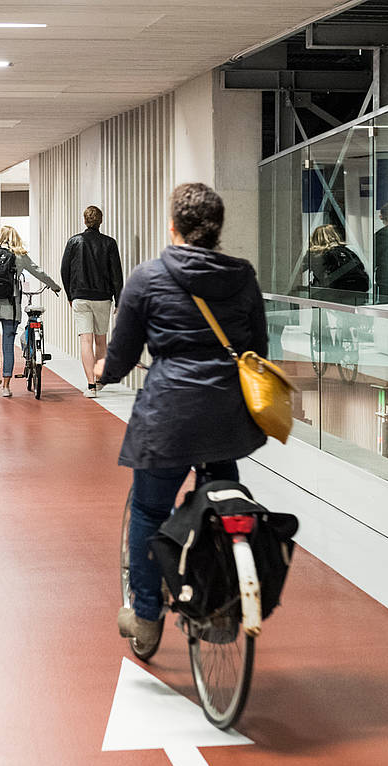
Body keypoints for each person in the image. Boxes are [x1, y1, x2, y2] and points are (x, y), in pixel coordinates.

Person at [94, 183, 268, 650]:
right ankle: (220, 607)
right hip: (228, 418)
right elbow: (257, 351)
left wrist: (102, 371)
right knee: (223, 503)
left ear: (173, 227)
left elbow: (124, 351)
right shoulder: (243, 276)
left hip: (169, 414)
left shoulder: (149, 276)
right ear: (217, 228)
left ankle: (147, 617)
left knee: (151, 510)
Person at [0, 225, 61, 398]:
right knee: (8, 346)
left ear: (0, 237)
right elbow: (38, 272)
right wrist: (54, 287)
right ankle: (7, 387)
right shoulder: (20, 256)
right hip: (11, 306)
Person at [61, 205, 123, 398]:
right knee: (101, 341)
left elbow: (65, 270)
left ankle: (90, 386)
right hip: (103, 297)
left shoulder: (74, 242)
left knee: (85, 341)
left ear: (85, 220)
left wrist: (70, 295)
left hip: (80, 296)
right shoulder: (109, 243)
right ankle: (98, 379)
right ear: (101, 220)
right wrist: (119, 299)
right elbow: (116, 275)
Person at [304, 223, 370, 303]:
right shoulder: (348, 249)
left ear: (316, 238)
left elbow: (298, 270)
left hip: (332, 295)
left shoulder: (315, 254)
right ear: (335, 235)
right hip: (357, 292)